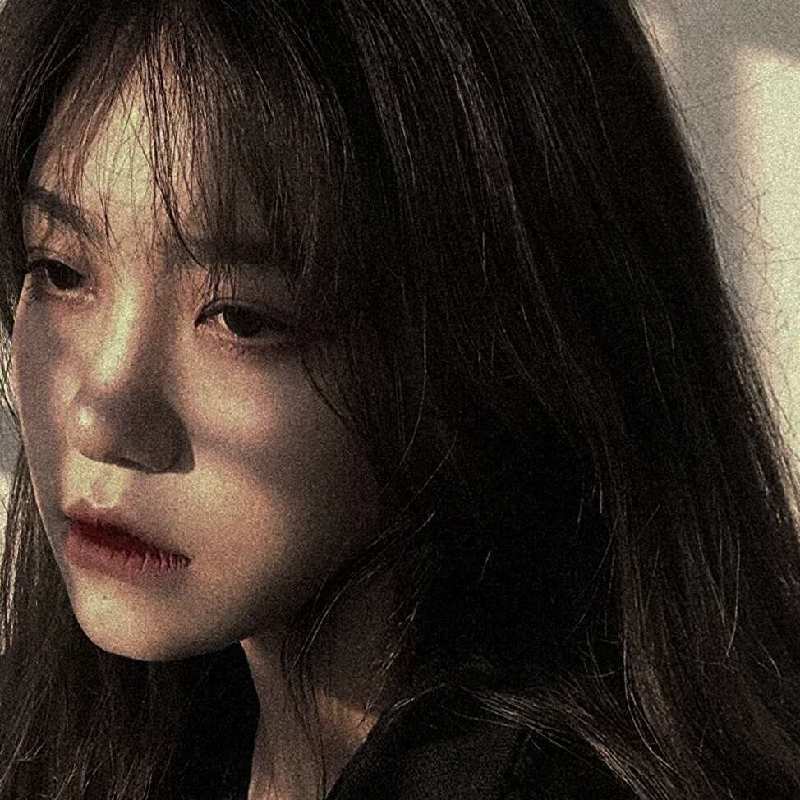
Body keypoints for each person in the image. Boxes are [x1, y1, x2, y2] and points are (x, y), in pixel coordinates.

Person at [0, 1, 799, 798]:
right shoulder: (106, 737)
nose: (98, 417)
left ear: (499, 339)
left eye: (242, 318)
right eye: (61, 272)